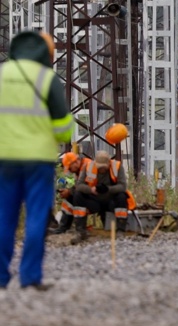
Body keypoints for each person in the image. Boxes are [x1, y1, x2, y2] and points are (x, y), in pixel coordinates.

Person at [0, 31, 73, 290]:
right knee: (36, 217)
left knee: (4, 216)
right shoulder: (46, 79)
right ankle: (30, 277)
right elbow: (63, 128)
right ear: (46, 54)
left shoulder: (2, 74)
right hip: (38, 161)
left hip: (4, 157)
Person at [72, 151, 130, 240]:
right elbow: (79, 185)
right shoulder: (88, 166)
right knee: (77, 195)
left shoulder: (117, 166)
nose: (102, 170)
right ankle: (80, 230)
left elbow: (123, 186)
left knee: (122, 196)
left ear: (108, 163)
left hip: (111, 200)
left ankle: (120, 230)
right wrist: (90, 190)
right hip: (95, 200)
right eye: (100, 167)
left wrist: (108, 189)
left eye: (104, 167)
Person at [50, 150, 92, 235]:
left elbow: (85, 186)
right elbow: (79, 185)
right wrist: (69, 192)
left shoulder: (87, 165)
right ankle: (63, 227)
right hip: (89, 194)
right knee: (69, 198)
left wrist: (69, 191)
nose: (70, 170)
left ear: (75, 162)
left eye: (70, 167)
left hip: (93, 195)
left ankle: (77, 227)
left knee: (74, 196)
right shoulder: (80, 169)